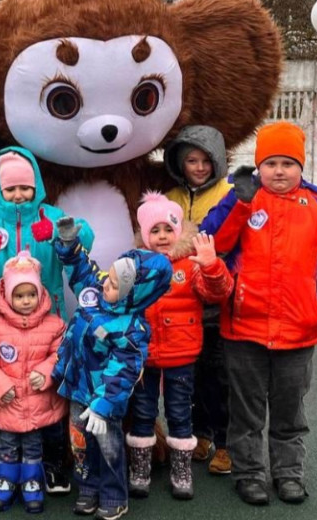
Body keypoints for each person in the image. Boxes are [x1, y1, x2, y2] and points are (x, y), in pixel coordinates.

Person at [203, 122, 317, 506]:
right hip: (244, 329)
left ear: (301, 167)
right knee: (246, 410)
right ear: (258, 167)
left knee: (290, 411)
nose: (279, 171)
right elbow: (212, 242)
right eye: (270, 163)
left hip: (298, 330)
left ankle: (288, 474)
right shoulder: (242, 198)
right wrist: (238, 203)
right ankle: (249, 473)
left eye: (288, 163)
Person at [0, 146, 94, 493]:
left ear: (36, 187)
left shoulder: (50, 215)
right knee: (9, 391)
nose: (18, 195)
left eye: (25, 188)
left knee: (51, 391)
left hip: (48, 323)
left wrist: (63, 235)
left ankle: (53, 462)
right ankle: (11, 461)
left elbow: (85, 236)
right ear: (0, 189)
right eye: (11, 188)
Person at [51, 217, 172, 520]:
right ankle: (88, 488)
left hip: (104, 401)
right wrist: (68, 245)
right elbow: (82, 268)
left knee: (108, 447)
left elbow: (123, 373)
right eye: (109, 277)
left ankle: (114, 494)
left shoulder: (132, 329)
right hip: (79, 388)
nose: (107, 284)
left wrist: (103, 405)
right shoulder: (95, 292)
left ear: (135, 294)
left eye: (116, 285)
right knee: (80, 444)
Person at [126, 193, 233, 500]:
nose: (162, 236)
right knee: (143, 411)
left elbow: (218, 293)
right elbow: (118, 297)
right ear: (145, 234)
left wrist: (212, 266)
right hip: (144, 355)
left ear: (179, 231)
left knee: (179, 412)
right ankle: (140, 467)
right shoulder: (135, 263)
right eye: (155, 231)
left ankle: (181, 470)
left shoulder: (191, 264)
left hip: (181, 353)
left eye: (168, 229)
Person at [0, 251, 67, 514]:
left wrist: (47, 372)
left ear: (40, 293)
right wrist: (0, 386)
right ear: (7, 295)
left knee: (35, 443)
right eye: (19, 295)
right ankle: (5, 479)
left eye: (31, 294)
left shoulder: (54, 325)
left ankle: (32, 480)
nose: (26, 301)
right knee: (8, 443)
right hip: (7, 401)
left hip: (37, 400)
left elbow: (60, 354)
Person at [163, 125, 234, 474]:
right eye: (192, 160)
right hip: (182, 299)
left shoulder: (228, 192)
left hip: (217, 294)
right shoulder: (171, 196)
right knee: (188, 374)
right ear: (180, 163)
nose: (200, 167)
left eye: (207, 160)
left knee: (220, 375)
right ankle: (200, 432)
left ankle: (226, 441)